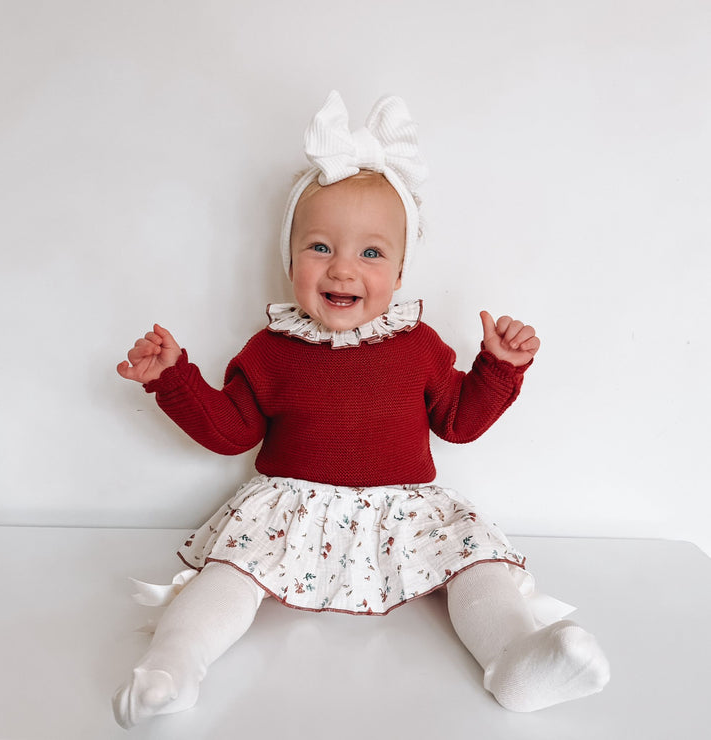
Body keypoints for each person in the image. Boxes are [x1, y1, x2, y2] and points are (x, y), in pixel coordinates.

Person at [113, 91, 609, 729]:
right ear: (290, 261)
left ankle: (515, 659)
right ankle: (171, 667)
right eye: (320, 247)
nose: (342, 268)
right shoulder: (270, 350)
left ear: (400, 273)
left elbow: (458, 422)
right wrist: (175, 379)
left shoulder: (419, 346)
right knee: (225, 578)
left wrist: (497, 368)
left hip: (404, 509)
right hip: (290, 505)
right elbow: (233, 432)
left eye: (370, 253)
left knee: (478, 567)